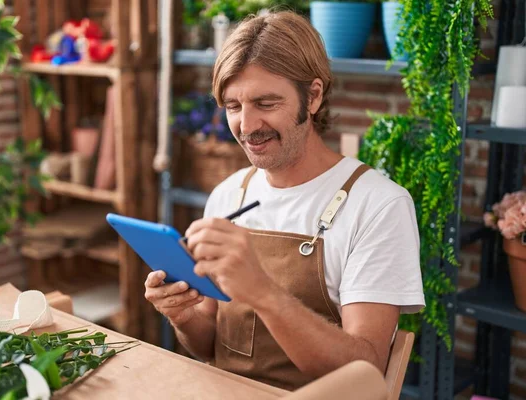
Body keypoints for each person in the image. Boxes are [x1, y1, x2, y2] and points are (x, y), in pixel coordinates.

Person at [144, 10, 425, 391]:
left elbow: (367, 375)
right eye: (233, 106)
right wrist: (182, 315)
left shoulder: (378, 205)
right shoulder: (229, 194)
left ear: (312, 96)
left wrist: (262, 292)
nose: (247, 126)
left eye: (266, 103)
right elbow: (210, 345)